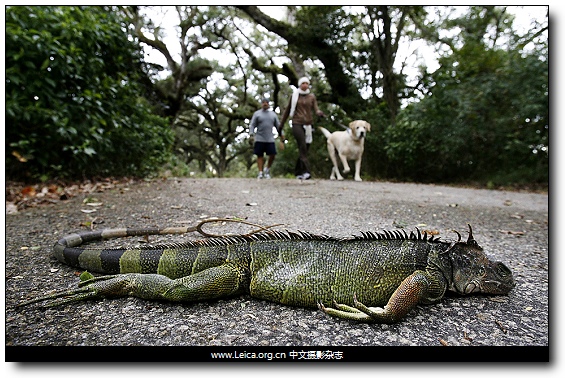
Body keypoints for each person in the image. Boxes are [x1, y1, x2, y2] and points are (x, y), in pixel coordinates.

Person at [279, 76, 325, 180]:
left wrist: (319, 113)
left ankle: (298, 171)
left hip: (308, 124)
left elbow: (316, 109)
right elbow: (287, 111)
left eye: (306, 83)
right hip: (297, 123)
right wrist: (281, 125)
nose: (305, 85)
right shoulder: (294, 96)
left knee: (304, 149)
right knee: (302, 145)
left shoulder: (311, 97)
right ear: (300, 85)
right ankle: (307, 171)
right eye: (303, 83)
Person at [249, 98, 280, 179]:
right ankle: (260, 172)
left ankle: (267, 169)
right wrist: (251, 134)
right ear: (261, 104)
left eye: (266, 102)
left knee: (272, 154)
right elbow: (252, 125)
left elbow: (278, 126)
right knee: (260, 155)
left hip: (270, 138)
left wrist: (282, 135)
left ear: (269, 104)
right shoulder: (257, 114)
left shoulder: (273, 114)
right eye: (263, 102)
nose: (265, 104)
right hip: (259, 138)